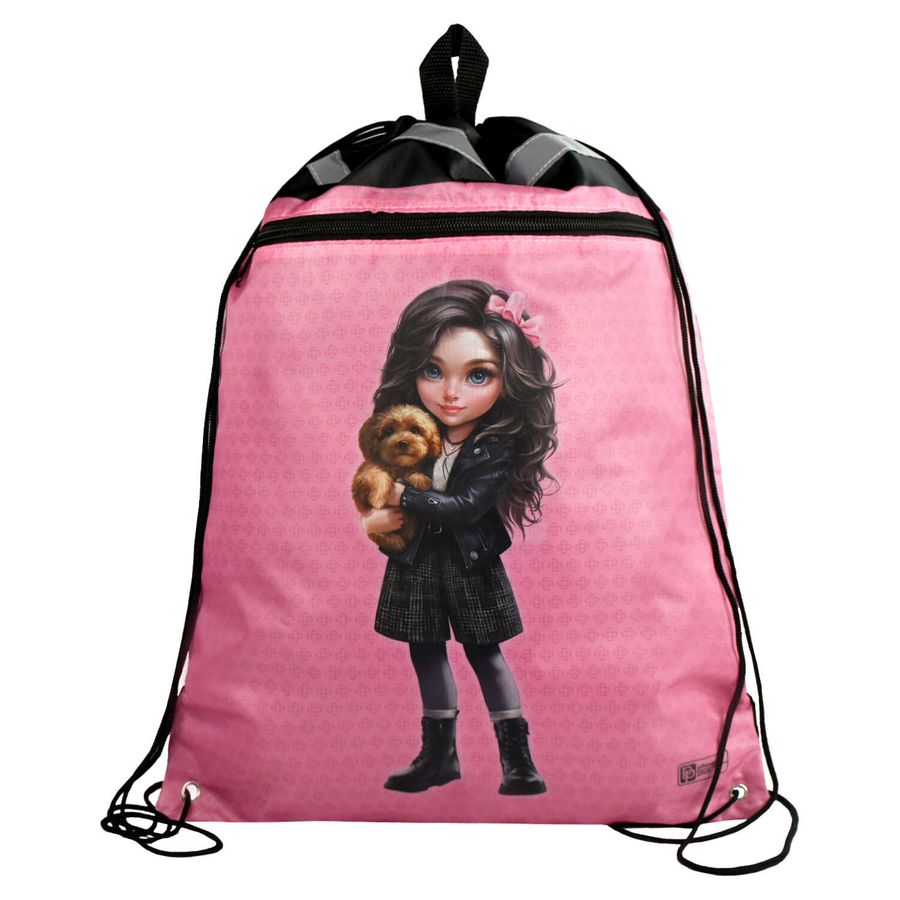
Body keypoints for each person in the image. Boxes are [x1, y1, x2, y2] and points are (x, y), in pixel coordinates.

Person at [360, 279, 561, 795]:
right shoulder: (413, 429)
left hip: (472, 562)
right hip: (416, 560)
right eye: (433, 371)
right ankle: (438, 755)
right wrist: (374, 519)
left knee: (485, 653)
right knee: (424, 650)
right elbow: (376, 490)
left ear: (508, 379)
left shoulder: (498, 444)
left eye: (478, 375)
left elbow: (467, 506)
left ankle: (517, 759)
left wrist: (403, 498)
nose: (451, 393)